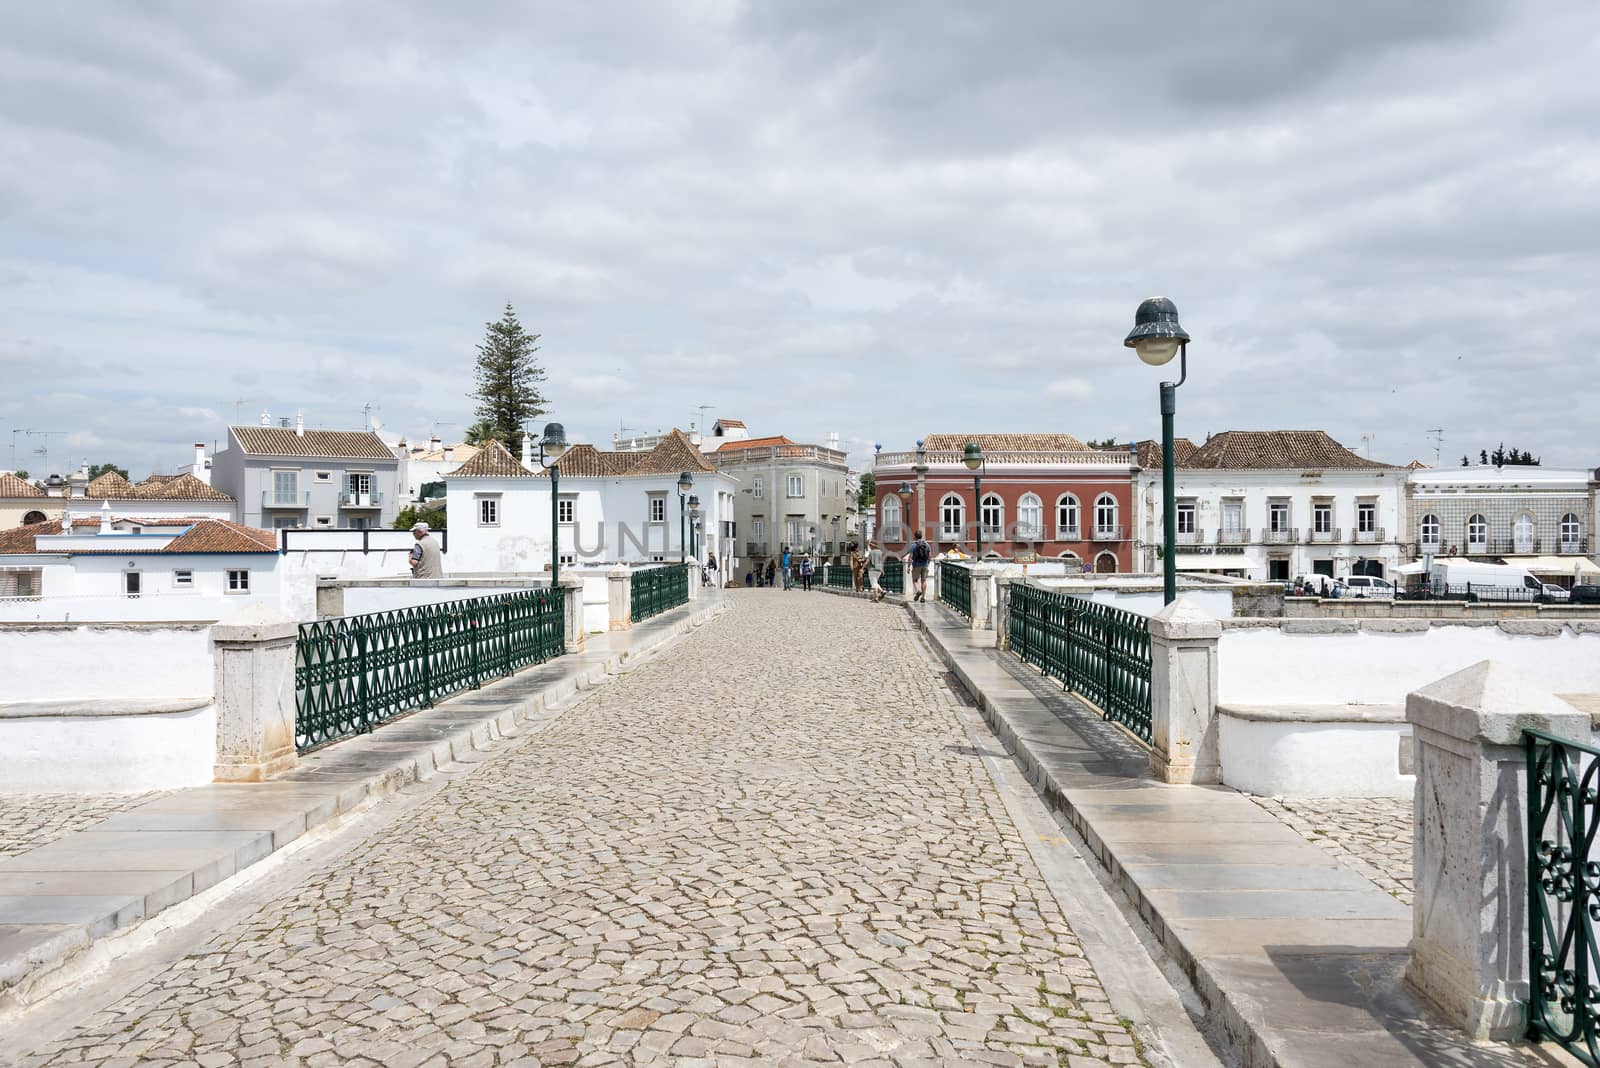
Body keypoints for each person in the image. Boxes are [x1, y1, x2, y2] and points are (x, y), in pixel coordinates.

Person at [907, 529, 932, 602]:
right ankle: (923, 597)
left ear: (915, 537)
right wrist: (928, 564)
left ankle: (918, 591)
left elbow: (910, 557)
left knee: (915, 580)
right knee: (923, 581)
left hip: (916, 565)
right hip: (925, 565)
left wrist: (908, 567)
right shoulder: (927, 544)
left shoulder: (913, 545)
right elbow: (930, 556)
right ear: (921, 536)